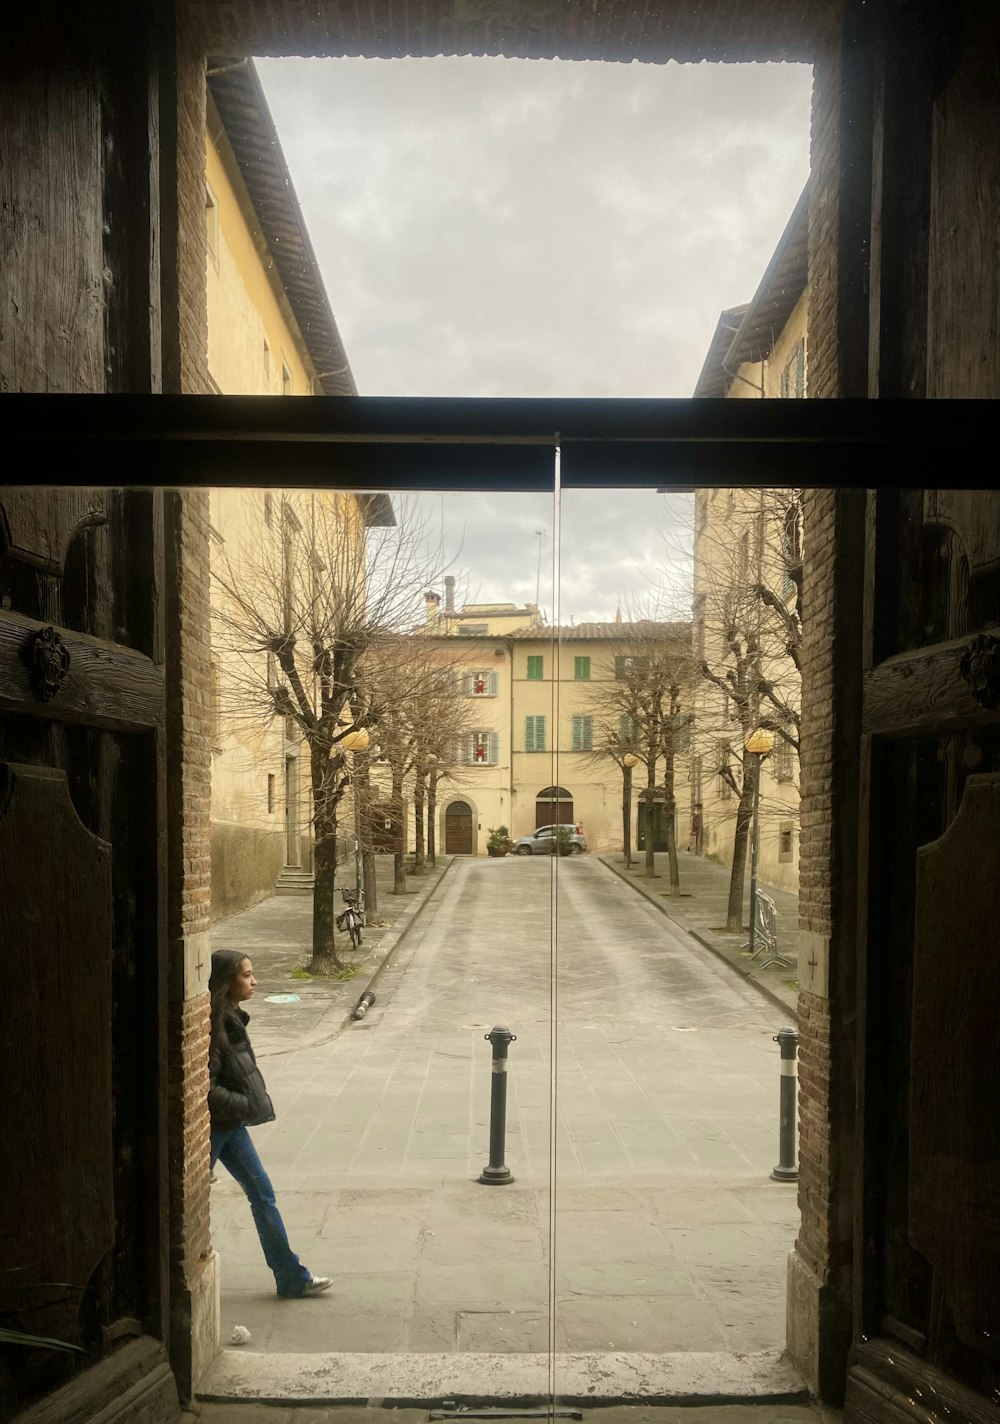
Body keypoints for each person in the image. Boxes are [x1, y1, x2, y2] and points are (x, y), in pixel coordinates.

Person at [208, 948, 331, 1299]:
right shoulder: (214, 1024)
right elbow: (204, 1087)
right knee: (190, 1202)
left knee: (263, 1195)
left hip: (230, 1126)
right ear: (227, 980)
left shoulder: (230, 1017)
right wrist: (244, 1104)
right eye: (246, 974)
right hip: (219, 1127)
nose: (254, 980)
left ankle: (291, 1277)